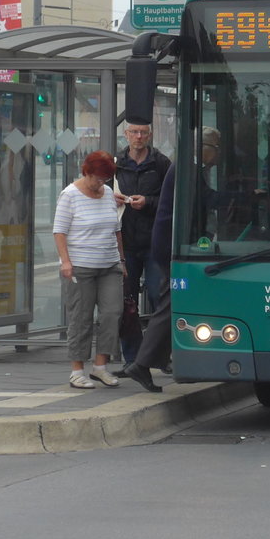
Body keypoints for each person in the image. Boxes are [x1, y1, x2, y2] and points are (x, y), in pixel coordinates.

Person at [53, 150, 125, 389]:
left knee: (112, 314)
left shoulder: (107, 195)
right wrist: (65, 261)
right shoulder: (70, 195)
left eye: (105, 179)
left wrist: (121, 260)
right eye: (97, 178)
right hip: (80, 267)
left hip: (109, 264)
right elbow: (59, 231)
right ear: (87, 172)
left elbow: (116, 229)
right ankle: (77, 370)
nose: (100, 183)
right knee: (81, 318)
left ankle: (100, 367)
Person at [123, 164, 175, 394]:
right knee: (168, 304)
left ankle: (149, 361)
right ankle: (142, 362)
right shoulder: (185, 167)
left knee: (167, 304)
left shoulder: (169, 165)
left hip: (164, 245)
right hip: (167, 247)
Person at [114, 119, 172, 316]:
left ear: (150, 135)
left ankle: (159, 344)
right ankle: (132, 347)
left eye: (143, 133)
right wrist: (111, 199)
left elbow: (172, 199)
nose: (139, 137)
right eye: (135, 132)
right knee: (126, 299)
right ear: (126, 134)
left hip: (154, 242)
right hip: (126, 242)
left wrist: (148, 201)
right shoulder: (117, 163)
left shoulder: (161, 163)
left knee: (158, 294)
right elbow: (100, 192)